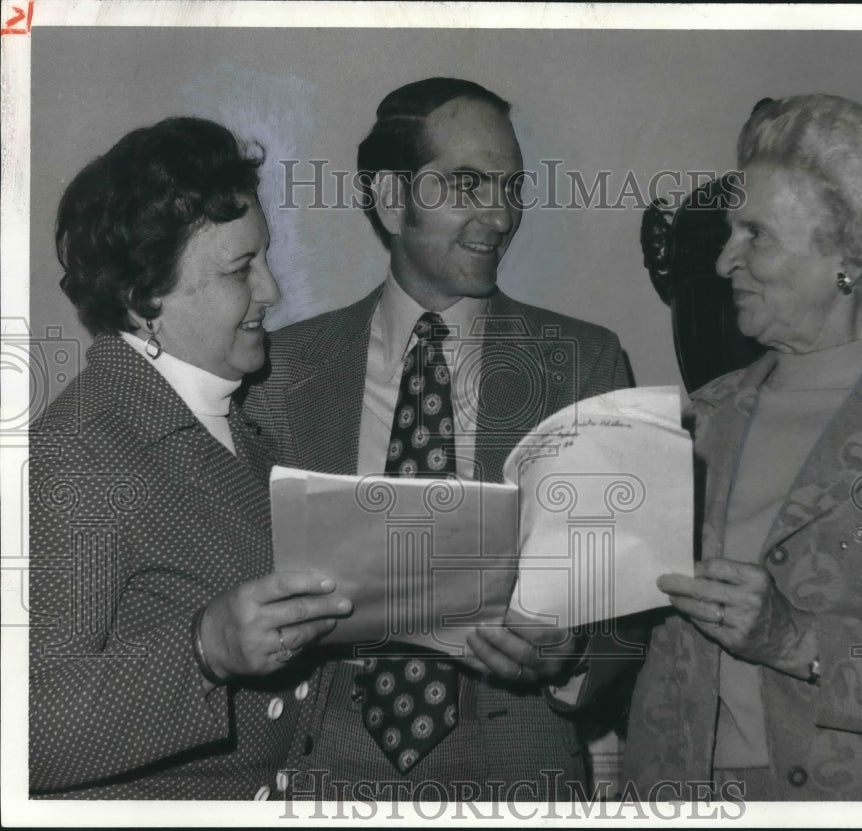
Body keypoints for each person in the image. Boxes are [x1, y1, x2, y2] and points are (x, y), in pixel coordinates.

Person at [244, 77, 631, 801]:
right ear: (392, 201)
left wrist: (572, 653)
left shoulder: (584, 363)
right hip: (323, 770)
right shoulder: (281, 370)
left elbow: (627, 602)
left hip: (519, 774)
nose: (501, 214)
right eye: (468, 184)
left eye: (511, 187)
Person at [623, 94, 862, 801]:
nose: (725, 261)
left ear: (848, 258)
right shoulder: (700, 419)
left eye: (755, 235)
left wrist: (797, 641)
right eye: (731, 233)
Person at [29, 117, 353, 799]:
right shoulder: (81, 453)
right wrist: (203, 650)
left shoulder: (247, 425)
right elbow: (29, 731)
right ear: (146, 298)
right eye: (241, 270)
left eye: (264, 258)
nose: (271, 290)